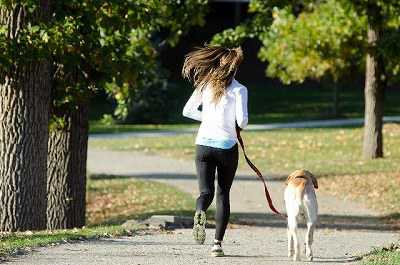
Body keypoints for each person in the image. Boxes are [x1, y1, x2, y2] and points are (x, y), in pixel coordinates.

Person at [182, 45, 248, 257]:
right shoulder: (239, 89)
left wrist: (209, 119)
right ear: (235, 68)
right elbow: (243, 121)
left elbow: (188, 111)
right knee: (223, 194)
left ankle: (200, 211)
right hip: (226, 147)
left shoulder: (204, 85)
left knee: (205, 192)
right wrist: (229, 123)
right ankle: (217, 244)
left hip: (203, 145)